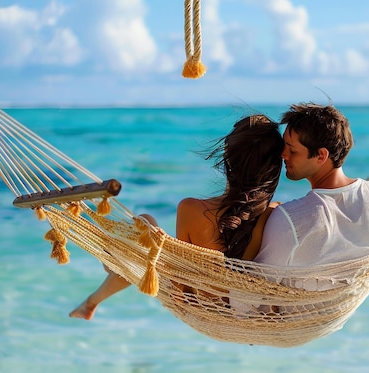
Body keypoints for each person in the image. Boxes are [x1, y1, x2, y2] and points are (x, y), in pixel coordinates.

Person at [69, 114, 284, 320]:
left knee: (144, 224)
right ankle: (92, 301)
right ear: (274, 169)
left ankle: (106, 273)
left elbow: (184, 284)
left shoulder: (192, 209)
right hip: (239, 310)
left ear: (227, 158)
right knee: (146, 236)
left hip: (198, 304)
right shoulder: (276, 215)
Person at [254, 103, 369, 290]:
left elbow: (252, 293)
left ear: (321, 155)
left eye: (292, 150)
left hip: (291, 317)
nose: (283, 155)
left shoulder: (291, 219)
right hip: (344, 308)